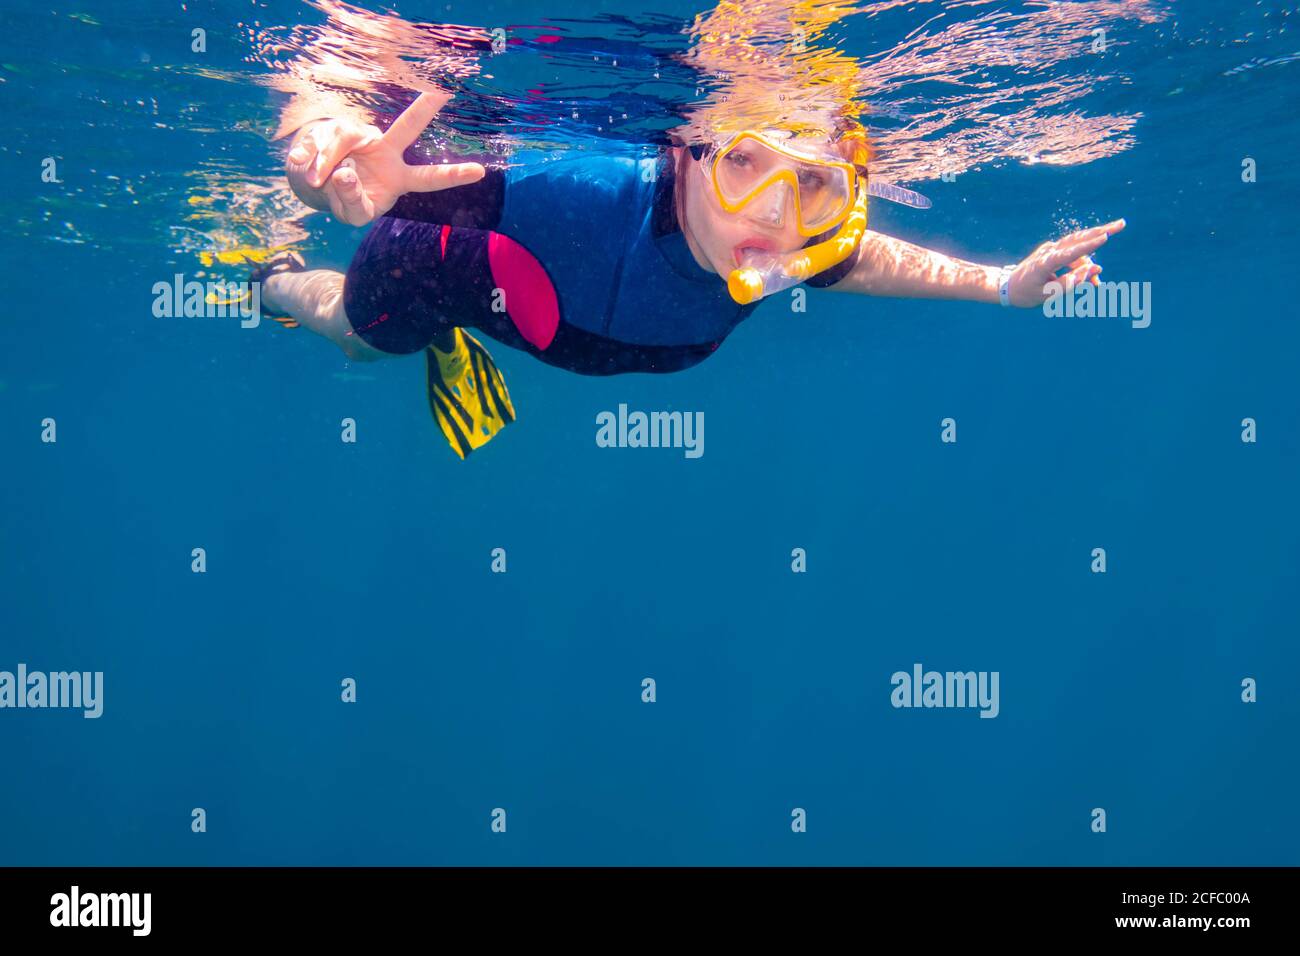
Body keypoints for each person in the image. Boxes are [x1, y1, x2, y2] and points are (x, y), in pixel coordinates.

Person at [257, 90, 1124, 458]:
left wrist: (1005, 285)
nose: (776, 215)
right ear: (689, 153)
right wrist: (327, 148)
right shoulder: (580, 192)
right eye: (745, 164)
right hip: (431, 270)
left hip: (536, 315)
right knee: (362, 342)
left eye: (814, 183)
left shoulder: (792, 252)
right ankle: (271, 275)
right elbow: (384, 160)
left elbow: (862, 261)